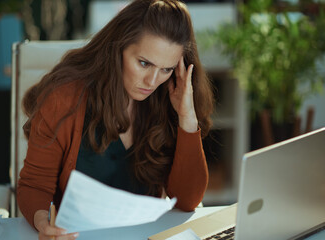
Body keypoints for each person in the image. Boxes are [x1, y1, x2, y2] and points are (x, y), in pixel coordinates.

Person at [17, 0, 214, 239]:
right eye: (144, 63)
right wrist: (43, 223)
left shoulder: (166, 100)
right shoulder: (65, 99)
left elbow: (188, 201)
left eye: (167, 69)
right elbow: (35, 186)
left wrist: (187, 117)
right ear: (118, 48)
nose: (152, 81)